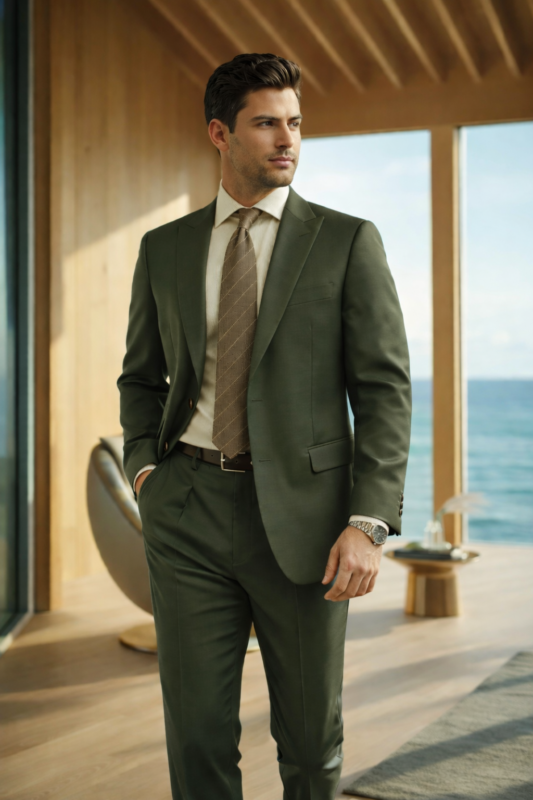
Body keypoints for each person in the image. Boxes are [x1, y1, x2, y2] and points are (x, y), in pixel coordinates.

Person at [117, 52, 411, 800]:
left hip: (308, 524)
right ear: (220, 133)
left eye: (295, 123)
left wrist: (368, 521)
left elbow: (383, 389)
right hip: (186, 511)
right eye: (266, 124)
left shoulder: (346, 241)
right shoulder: (165, 248)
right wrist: (146, 470)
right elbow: (141, 377)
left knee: (310, 744)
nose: (288, 140)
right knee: (197, 738)